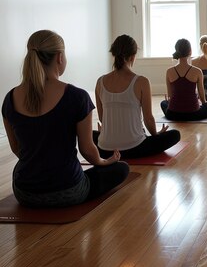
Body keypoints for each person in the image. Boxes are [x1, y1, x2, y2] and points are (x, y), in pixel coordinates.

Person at [1, 30, 129, 208]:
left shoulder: (9, 99)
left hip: (25, 193)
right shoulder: (77, 97)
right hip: (68, 191)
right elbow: (87, 150)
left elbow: (17, 148)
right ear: (60, 57)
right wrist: (104, 162)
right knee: (122, 169)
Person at [93, 35, 181, 159]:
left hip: (105, 150)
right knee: (175, 135)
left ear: (114, 55)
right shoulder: (141, 82)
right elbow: (148, 119)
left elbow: (102, 118)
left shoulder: (100, 82)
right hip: (134, 149)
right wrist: (156, 134)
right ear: (133, 57)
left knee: (92, 135)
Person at [161, 38, 207, 121]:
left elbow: (170, 96)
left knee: (163, 103)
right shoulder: (197, 71)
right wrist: (205, 103)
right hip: (194, 114)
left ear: (176, 51)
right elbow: (202, 99)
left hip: (173, 114)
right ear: (190, 51)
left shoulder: (169, 71)